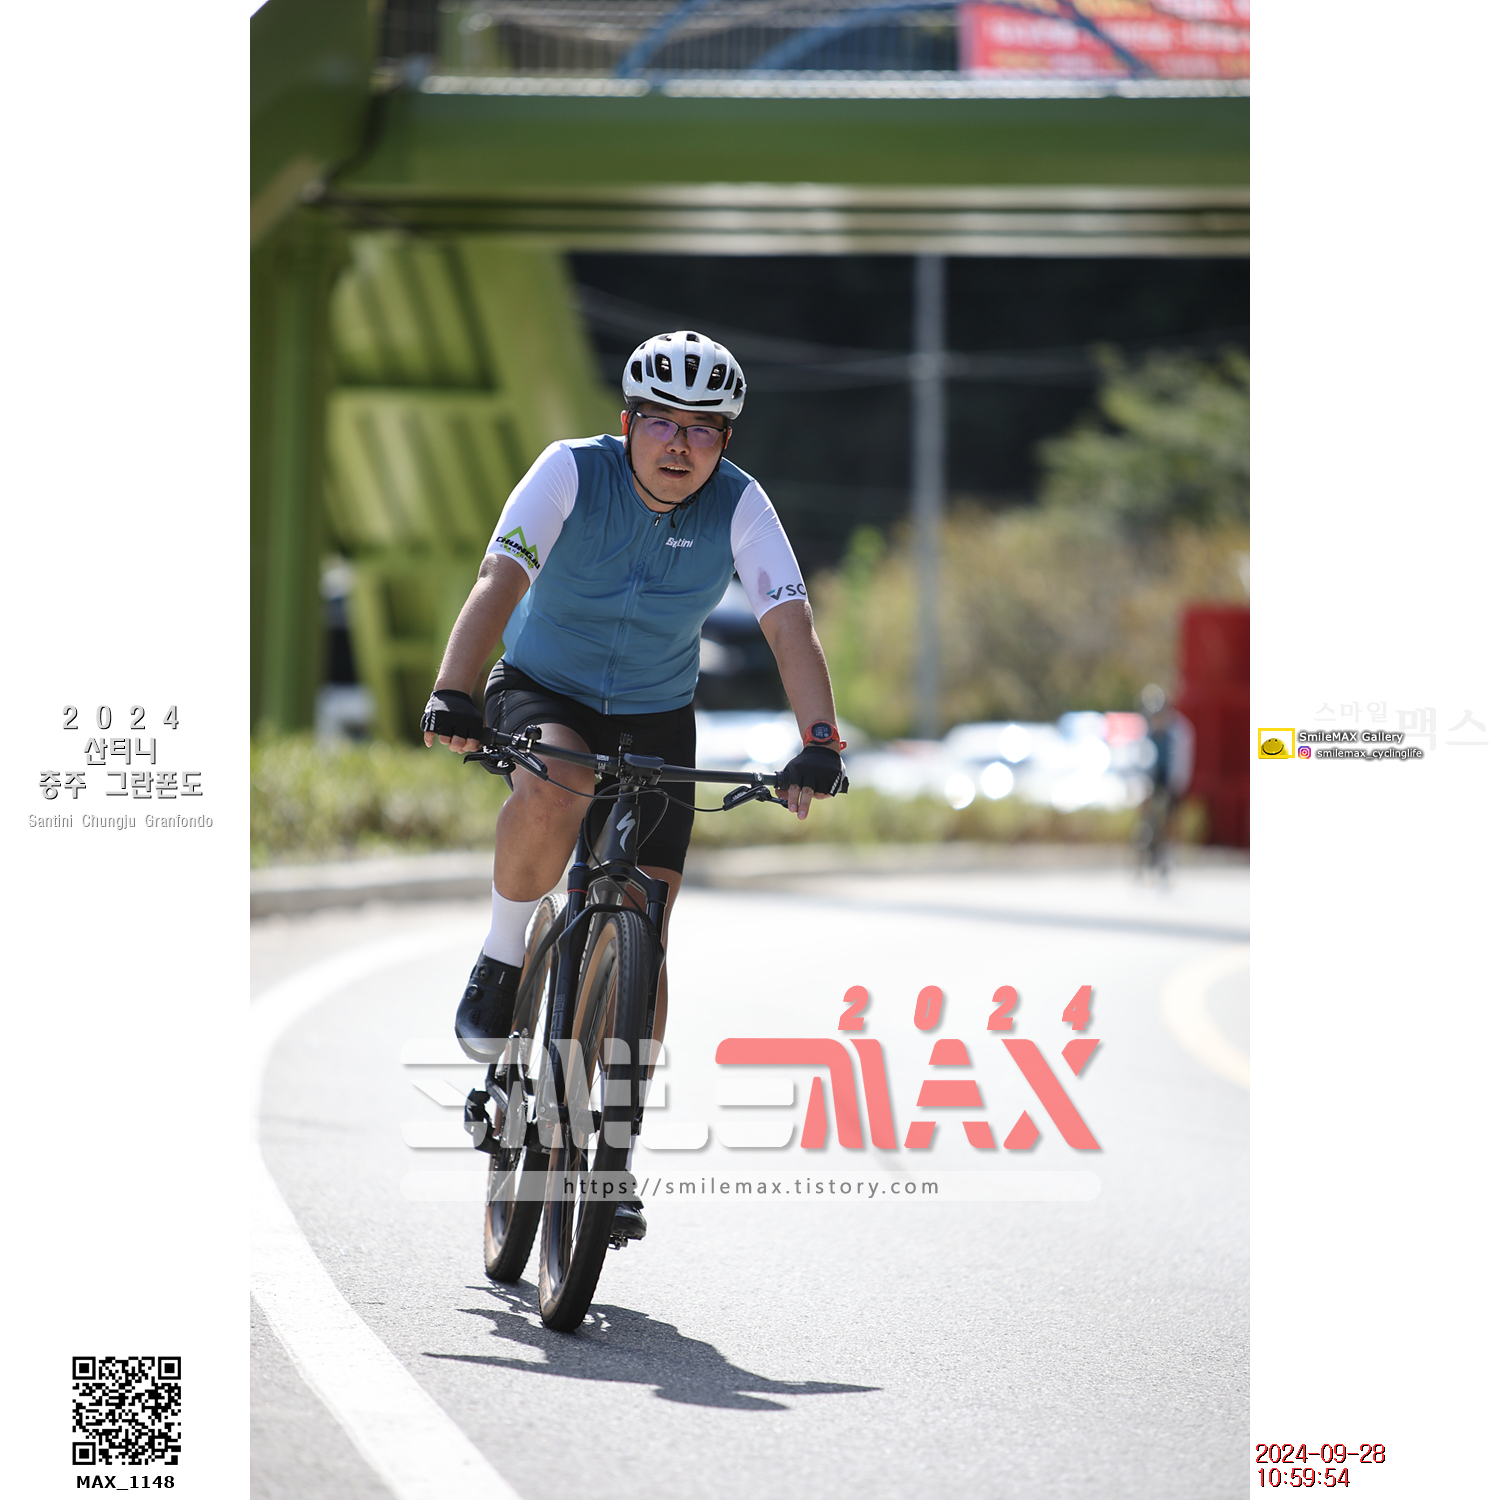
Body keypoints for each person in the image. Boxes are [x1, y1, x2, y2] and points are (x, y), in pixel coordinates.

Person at [420, 330, 847, 1238]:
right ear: (627, 424)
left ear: (725, 442)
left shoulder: (741, 504)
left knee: (647, 921)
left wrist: (818, 740)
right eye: (661, 423)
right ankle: (502, 957)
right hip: (544, 686)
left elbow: (788, 621)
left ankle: (611, 1151)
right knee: (558, 783)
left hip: (655, 714)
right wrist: (454, 689)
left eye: (703, 429)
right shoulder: (570, 471)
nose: (679, 445)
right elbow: (501, 576)